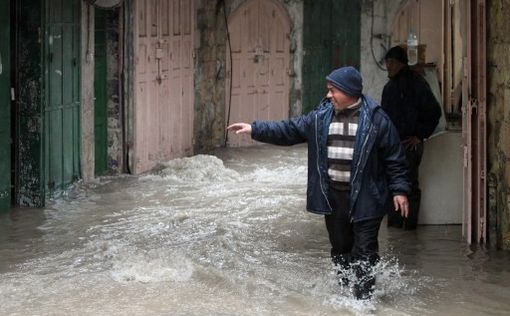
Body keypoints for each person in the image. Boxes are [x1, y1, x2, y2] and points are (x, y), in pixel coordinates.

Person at [227, 66, 410, 300]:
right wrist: (254, 129)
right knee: (341, 250)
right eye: (328, 90)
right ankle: (347, 295)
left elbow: (394, 157)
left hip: (367, 197)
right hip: (333, 197)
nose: (329, 95)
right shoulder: (320, 117)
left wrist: (400, 190)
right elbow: (289, 130)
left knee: (365, 251)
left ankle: (364, 302)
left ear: (349, 91)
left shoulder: (376, 119)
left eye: (333, 90)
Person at [382, 46, 442, 230]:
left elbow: (434, 111)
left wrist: (420, 135)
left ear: (400, 63)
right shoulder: (390, 87)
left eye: (391, 62)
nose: (388, 66)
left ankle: (408, 227)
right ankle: (395, 226)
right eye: (387, 63)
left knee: (409, 184)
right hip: (393, 143)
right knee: (392, 182)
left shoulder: (416, 83)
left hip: (409, 144)